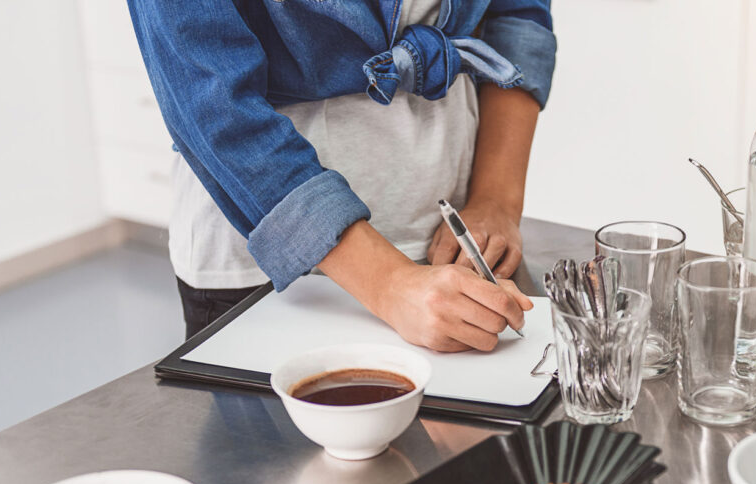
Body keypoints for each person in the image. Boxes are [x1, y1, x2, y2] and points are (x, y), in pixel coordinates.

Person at [126, 0, 557, 346]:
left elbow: (518, 17)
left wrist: (497, 198)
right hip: (269, 270)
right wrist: (389, 283)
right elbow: (211, 100)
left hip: (453, 245)